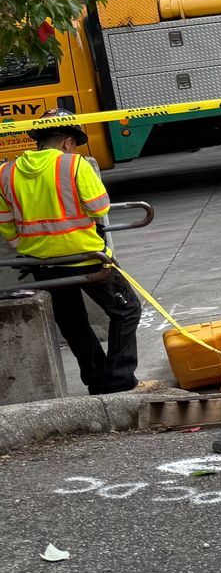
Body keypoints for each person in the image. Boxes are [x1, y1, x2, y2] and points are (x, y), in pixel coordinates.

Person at [0, 119, 144, 395]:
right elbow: (99, 206)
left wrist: (28, 244)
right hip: (87, 256)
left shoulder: (6, 173)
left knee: (73, 323)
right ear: (68, 142)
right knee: (126, 310)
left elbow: (4, 220)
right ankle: (119, 381)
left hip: (41, 262)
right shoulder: (74, 164)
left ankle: (97, 380)